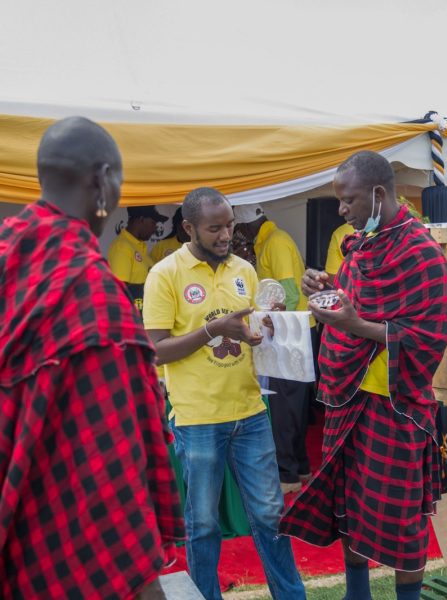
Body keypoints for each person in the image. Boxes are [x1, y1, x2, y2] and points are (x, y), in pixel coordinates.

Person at [0, 117, 185, 600]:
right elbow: (111, 479)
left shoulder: (8, 254)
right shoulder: (91, 296)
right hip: (64, 533)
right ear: (102, 181)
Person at [279, 151, 447, 600]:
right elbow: (358, 302)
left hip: (397, 407)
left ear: (378, 194)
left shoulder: (424, 254)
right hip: (348, 399)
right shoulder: (359, 248)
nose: (341, 211)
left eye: (347, 200)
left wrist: (353, 324)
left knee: (402, 521)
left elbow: (427, 338)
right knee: (349, 510)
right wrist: (328, 289)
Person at [143, 188, 305, 600]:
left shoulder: (244, 271)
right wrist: (212, 330)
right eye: (214, 228)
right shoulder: (165, 274)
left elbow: (249, 335)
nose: (225, 235)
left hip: (251, 413)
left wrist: (266, 332)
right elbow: (156, 352)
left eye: (230, 225)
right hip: (197, 420)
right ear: (188, 228)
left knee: (271, 517)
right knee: (203, 526)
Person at [234, 203, 313, 494]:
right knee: (292, 407)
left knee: (284, 409)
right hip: (291, 335)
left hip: (289, 336)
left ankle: (287, 473)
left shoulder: (276, 242)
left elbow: (289, 295)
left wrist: (267, 327)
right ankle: (300, 467)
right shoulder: (269, 241)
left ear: (244, 226)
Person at [108, 204, 168, 310]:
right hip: (134, 319)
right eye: (153, 223)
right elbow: (119, 291)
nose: (155, 229)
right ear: (141, 220)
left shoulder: (139, 247)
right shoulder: (122, 247)